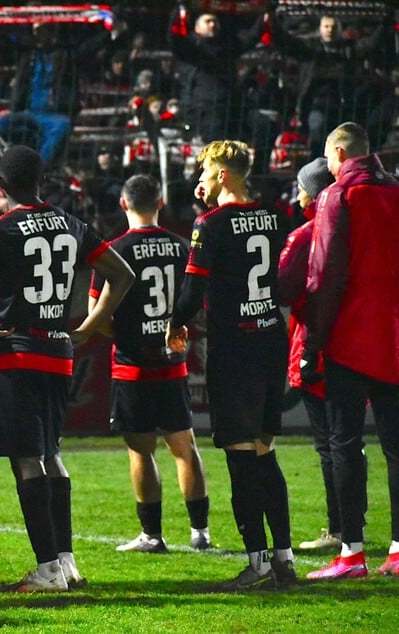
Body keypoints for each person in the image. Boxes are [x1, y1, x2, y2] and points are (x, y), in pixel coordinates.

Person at [0, 145, 134, 592]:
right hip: (59, 352)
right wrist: (93, 324)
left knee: (26, 459)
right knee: (52, 452)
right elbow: (122, 274)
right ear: (43, 181)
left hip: (16, 352)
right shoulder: (73, 224)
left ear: (2, 186)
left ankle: (47, 570)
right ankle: (66, 561)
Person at [166, 140, 294, 590]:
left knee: (241, 460)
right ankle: (284, 558)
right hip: (271, 341)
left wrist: (174, 324)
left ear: (222, 174)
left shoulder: (211, 224)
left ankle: (257, 565)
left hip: (235, 349)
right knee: (266, 452)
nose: (198, 178)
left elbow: (192, 292)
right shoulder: (277, 216)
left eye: (204, 169)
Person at [88, 174, 210, 555]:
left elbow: (98, 315)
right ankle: (200, 532)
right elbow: (195, 308)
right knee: (184, 446)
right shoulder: (180, 247)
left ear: (124, 205)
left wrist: (127, 337)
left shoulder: (113, 251)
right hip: (172, 365)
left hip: (132, 367)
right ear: (159, 203)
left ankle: (152, 536)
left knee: (141, 451)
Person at [302, 122, 399, 579]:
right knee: (396, 448)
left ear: (340, 154)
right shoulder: (395, 191)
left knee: (344, 443)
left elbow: (325, 276)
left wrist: (313, 343)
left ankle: (352, 553)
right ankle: (398, 551)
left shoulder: (337, 198)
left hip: (349, 340)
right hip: (394, 340)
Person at [276, 157, 342, 552]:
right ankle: (351, 527)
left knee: (330, 443)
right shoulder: (347, 227)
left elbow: (283, 287)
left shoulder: (305, 235)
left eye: (301, 185)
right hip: (349, 342)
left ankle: (340, 529)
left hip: (316, 344)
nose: (296, 191)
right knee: (349, 441)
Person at [269, 14, 393, 157]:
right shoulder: (310, 49)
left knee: (344, 142)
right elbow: (285, 41)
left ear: (339, 29)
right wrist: (272, 20)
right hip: (316, 105)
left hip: (342, 105)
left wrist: (385, 24)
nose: (330, 30)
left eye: (333, 27)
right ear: (320, 29)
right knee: (318, 136)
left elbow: (370, 44)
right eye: (326, 26)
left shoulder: (348, 49)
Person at [0, 22, 107, 169]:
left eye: (40, 30)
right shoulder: (30, 57)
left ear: (50, 32)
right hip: (29, 113)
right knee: (2, 124)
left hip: (53, 115)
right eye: (34, 31)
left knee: (62, 126)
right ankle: (34, 148)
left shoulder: (65, 55)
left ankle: (39, 168)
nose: (36, 35)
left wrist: (109, 33)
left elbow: (87, 49)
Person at [167, 8, 265, 142]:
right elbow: (174, 38)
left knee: (262, 125)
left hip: (230, 107)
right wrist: (178, 12)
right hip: (204, 108)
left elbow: (251, 38)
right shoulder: (189, 46)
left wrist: (264, 15)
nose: (212, 25)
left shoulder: (227, 46)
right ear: (197, 27)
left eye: (215, 22)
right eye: (208, 21)